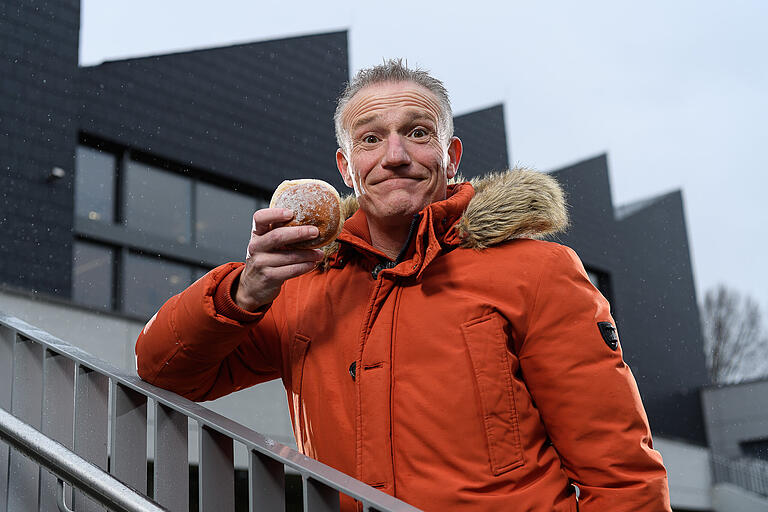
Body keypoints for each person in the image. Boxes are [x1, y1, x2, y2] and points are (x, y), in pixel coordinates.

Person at [136, 59, 671, 511]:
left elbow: (620, 474)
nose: (395, 155)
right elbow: (164, 371)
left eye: (417, 132)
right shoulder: (300, 287)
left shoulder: (537, 271)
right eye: (371, 139)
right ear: (347, 167)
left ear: (451, 156)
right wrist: (243, 292)